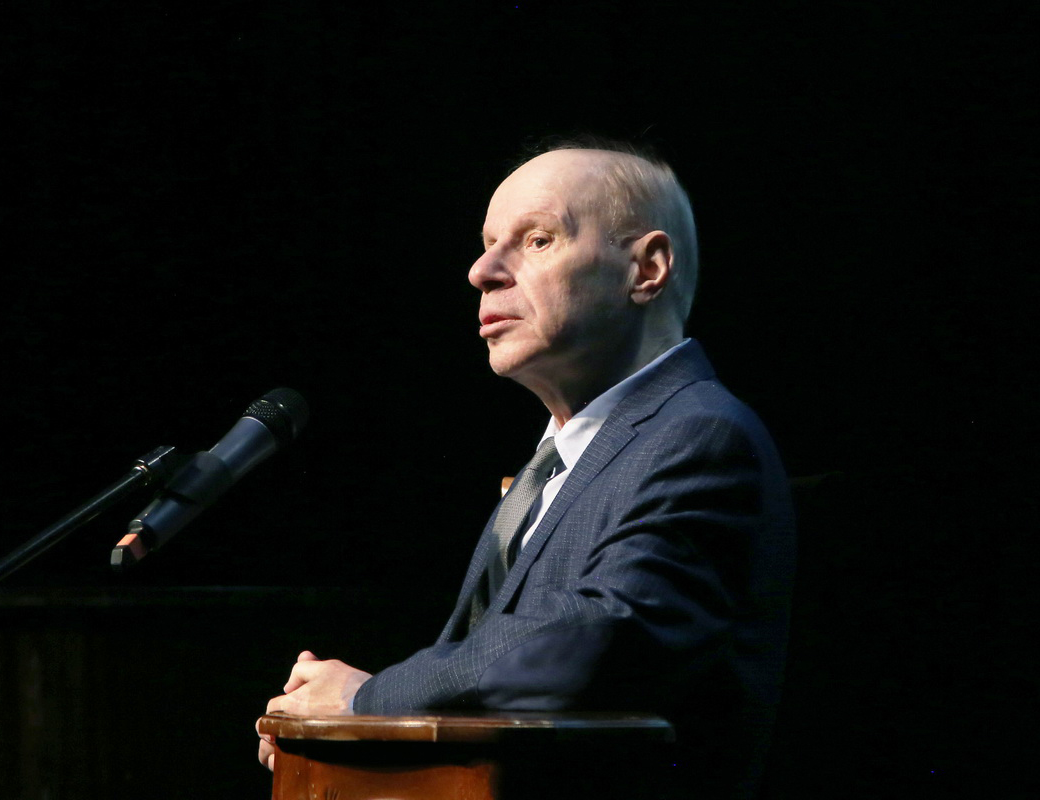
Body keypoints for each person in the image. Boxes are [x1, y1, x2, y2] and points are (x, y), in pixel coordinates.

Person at [258, 140, 795, 797]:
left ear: (646, 269)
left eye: (536, 240)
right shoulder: (559, 460)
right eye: (487, 245)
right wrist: (331, 729)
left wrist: (367, 700)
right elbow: (496, 701)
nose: (481, 271)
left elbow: (591, 644)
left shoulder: (701, 435)